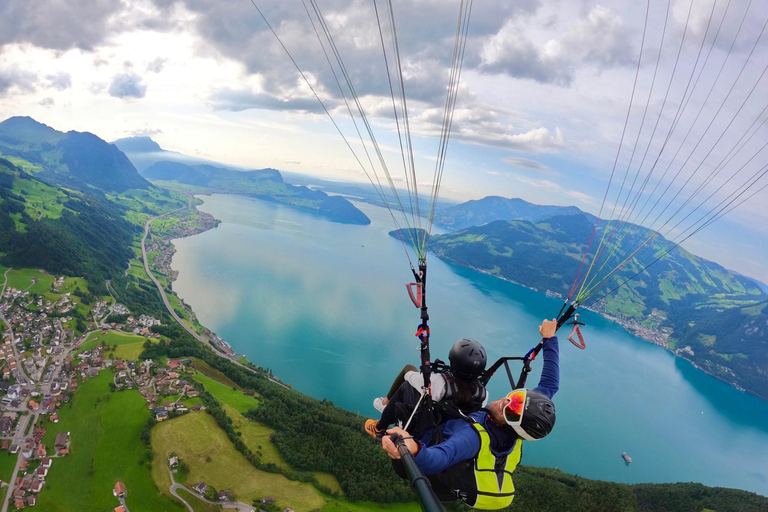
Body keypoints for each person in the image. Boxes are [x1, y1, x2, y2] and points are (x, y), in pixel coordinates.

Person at [379, 319, 560, 510]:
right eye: (516, 397)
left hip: (418, 466)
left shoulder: (472, 437)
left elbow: (440, 458)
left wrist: (413, 448)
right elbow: (550, 385)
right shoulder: (520, 424)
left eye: (512, 410)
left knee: (410, 386)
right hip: (447, 467)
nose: (505, 402)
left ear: (512, 426)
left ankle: (380, 423)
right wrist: (550, 339)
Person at [364, 338, 488, 438]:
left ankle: (380, 426)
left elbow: (409, 376)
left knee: (407, 379)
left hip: (425, 427)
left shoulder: (440, 383)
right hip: (449, 433)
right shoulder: (483, 394)